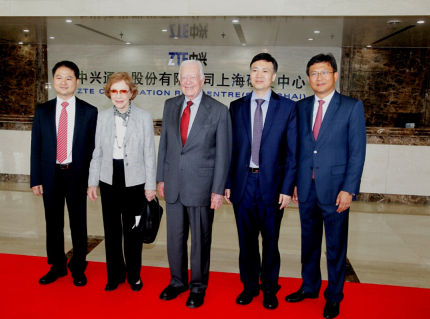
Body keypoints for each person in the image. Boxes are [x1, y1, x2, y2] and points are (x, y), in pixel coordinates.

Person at [285, 53, 366, 319]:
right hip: (306, 189)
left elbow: (357, 152)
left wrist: (349, 189)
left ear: (334, 75)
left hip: (336, 190)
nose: (319, 78)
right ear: (308, 78)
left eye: (324, 72)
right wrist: (296, 182)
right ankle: (309, 287)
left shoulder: (352, 107)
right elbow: (297, 151)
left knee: (335, 247)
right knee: (308, 243)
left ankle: (334, 296)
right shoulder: (301, 107)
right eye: (314, 73)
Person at [224, 53, 298, 310]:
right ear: (250, 74)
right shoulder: (237, 107)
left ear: (274, 76)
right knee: (246, 241)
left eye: (265, 71)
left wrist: (287, 188)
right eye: (255, 69)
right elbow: (231, 150)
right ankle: (249, 287)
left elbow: (292, 153)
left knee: (270, 241)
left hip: (273, 187)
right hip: (242, 185)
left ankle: (269, 288)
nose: (259, 74)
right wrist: (227, 183)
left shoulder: (288, 108)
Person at [156, 60, 232, 308]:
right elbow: (164, 145)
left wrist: (218, 189)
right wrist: (160, 177)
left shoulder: (219, 110)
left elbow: (224, 153)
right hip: (174, 184)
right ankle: (177, 282)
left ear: (202, 79)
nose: (187, 82)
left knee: (200, 241)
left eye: (192, 77)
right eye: (183, 78)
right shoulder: (170, 105)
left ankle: (198, 287)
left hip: (202, 186)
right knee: (174, 238)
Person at [87, 72, 156, 292]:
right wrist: (92, 182)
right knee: (112, 231)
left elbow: (149, 154)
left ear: (131, 93)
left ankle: (134, 275)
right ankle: (114, 274)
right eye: (114, 91)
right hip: (109, 179)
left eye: (123, 90)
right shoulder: (103, 117)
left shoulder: (144, 117)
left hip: (135, 182)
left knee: (133, 230)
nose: (118, 95)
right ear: (109, 93)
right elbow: (96, 152)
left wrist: (150, 185)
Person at [30, 60, 98, 286]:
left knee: (78, 223)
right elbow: (36, 146)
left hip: (77, 174)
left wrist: (92, 181)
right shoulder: (43, 110)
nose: (64, 82)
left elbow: (93, 150)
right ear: (53, 81)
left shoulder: (90, 112)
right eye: (59, 77)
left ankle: (78, 266)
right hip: (51, 174)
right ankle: (57, 266)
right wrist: (36, 178)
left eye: (69, 78)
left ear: (77, 82)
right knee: (53, 223)